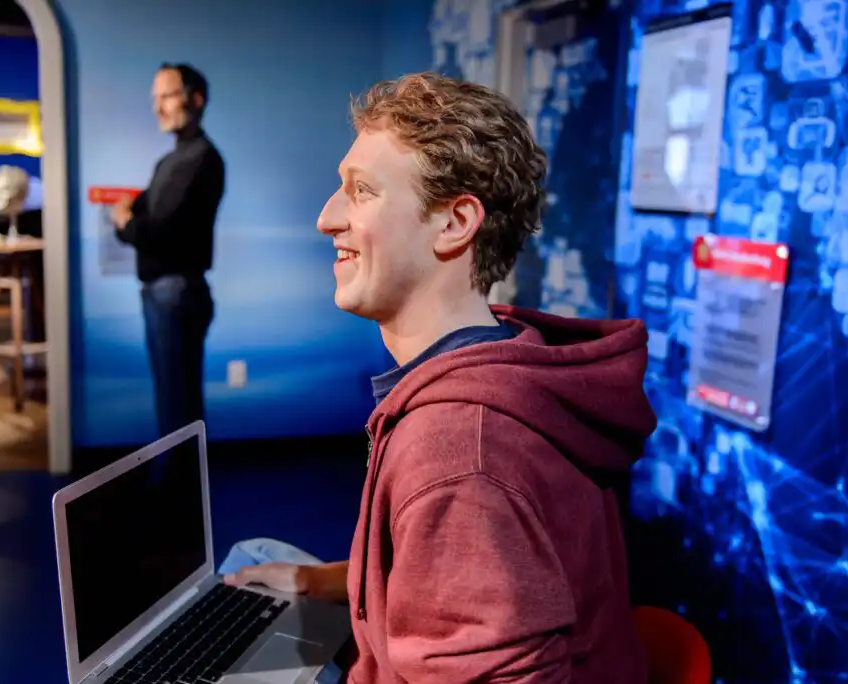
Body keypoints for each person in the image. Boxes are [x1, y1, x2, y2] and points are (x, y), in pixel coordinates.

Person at [221, 72, 657, 682]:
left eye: (362, 191)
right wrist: (324, 582)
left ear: (454, 224)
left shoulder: (456, 449)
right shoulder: (513, 354)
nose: (326, 218)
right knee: (257, 559)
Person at [111, 63, 225, 438]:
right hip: (163, 294)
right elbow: (141, 216)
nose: (158, 107)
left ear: (196, 99)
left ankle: (179, 492)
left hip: (176, 293)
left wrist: (126, 222)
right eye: (154, 99)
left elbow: (152, 230)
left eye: (167, 96)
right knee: (172, 401)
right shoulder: (170, 162)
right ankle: (177, 487)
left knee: (178, 407)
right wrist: (130, 220)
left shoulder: (201, 159)